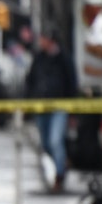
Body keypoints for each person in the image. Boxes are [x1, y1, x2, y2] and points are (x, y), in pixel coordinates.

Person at [25, 28, 77, 193]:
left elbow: (72, 82)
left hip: (59, 106)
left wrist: (73, 109)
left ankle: (59, 175)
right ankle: (62, 162)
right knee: (47, 144)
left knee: (56, 141)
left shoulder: (64, 58)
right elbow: (30, 80)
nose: (41, 42)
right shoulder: (39, 58)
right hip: (41, 107)